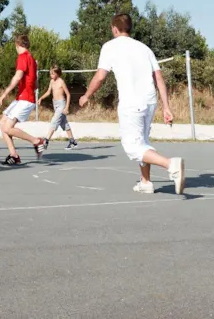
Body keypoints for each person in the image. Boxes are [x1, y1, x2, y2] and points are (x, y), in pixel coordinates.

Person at [79, 14, 184, 195]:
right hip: (150, 101)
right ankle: (146, 182)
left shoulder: (110, 47)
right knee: (142, 142)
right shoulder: (144, 48)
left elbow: (100, 76)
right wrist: (166, 107)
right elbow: (158, 77)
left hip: (131, 103)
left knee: (132, 147)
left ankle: (170, 165)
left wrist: (87, 95)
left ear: (114, 28)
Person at [0, 34, 46, 166]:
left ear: (17, 46)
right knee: (2, 123)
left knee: (7, 127)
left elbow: (17, 77)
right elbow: (36, 83)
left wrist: (4, 94)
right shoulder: (33, 60)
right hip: (23, 98)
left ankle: (37, 141)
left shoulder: (23, 57)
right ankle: (14, 155)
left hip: (25, 99)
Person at [39, 65, 78, 150]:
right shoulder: (52, 81)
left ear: (57, 74)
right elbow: (48, 92)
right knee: (64, 123)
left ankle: (46, 141)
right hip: (55, 104)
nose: (51, 75)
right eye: (50, 74)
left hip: (61, 104)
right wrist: (41, 98)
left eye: (52, 74)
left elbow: (68, 94)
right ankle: (72, 142)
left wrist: (66, 107)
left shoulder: (61, 82)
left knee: (54, 120)